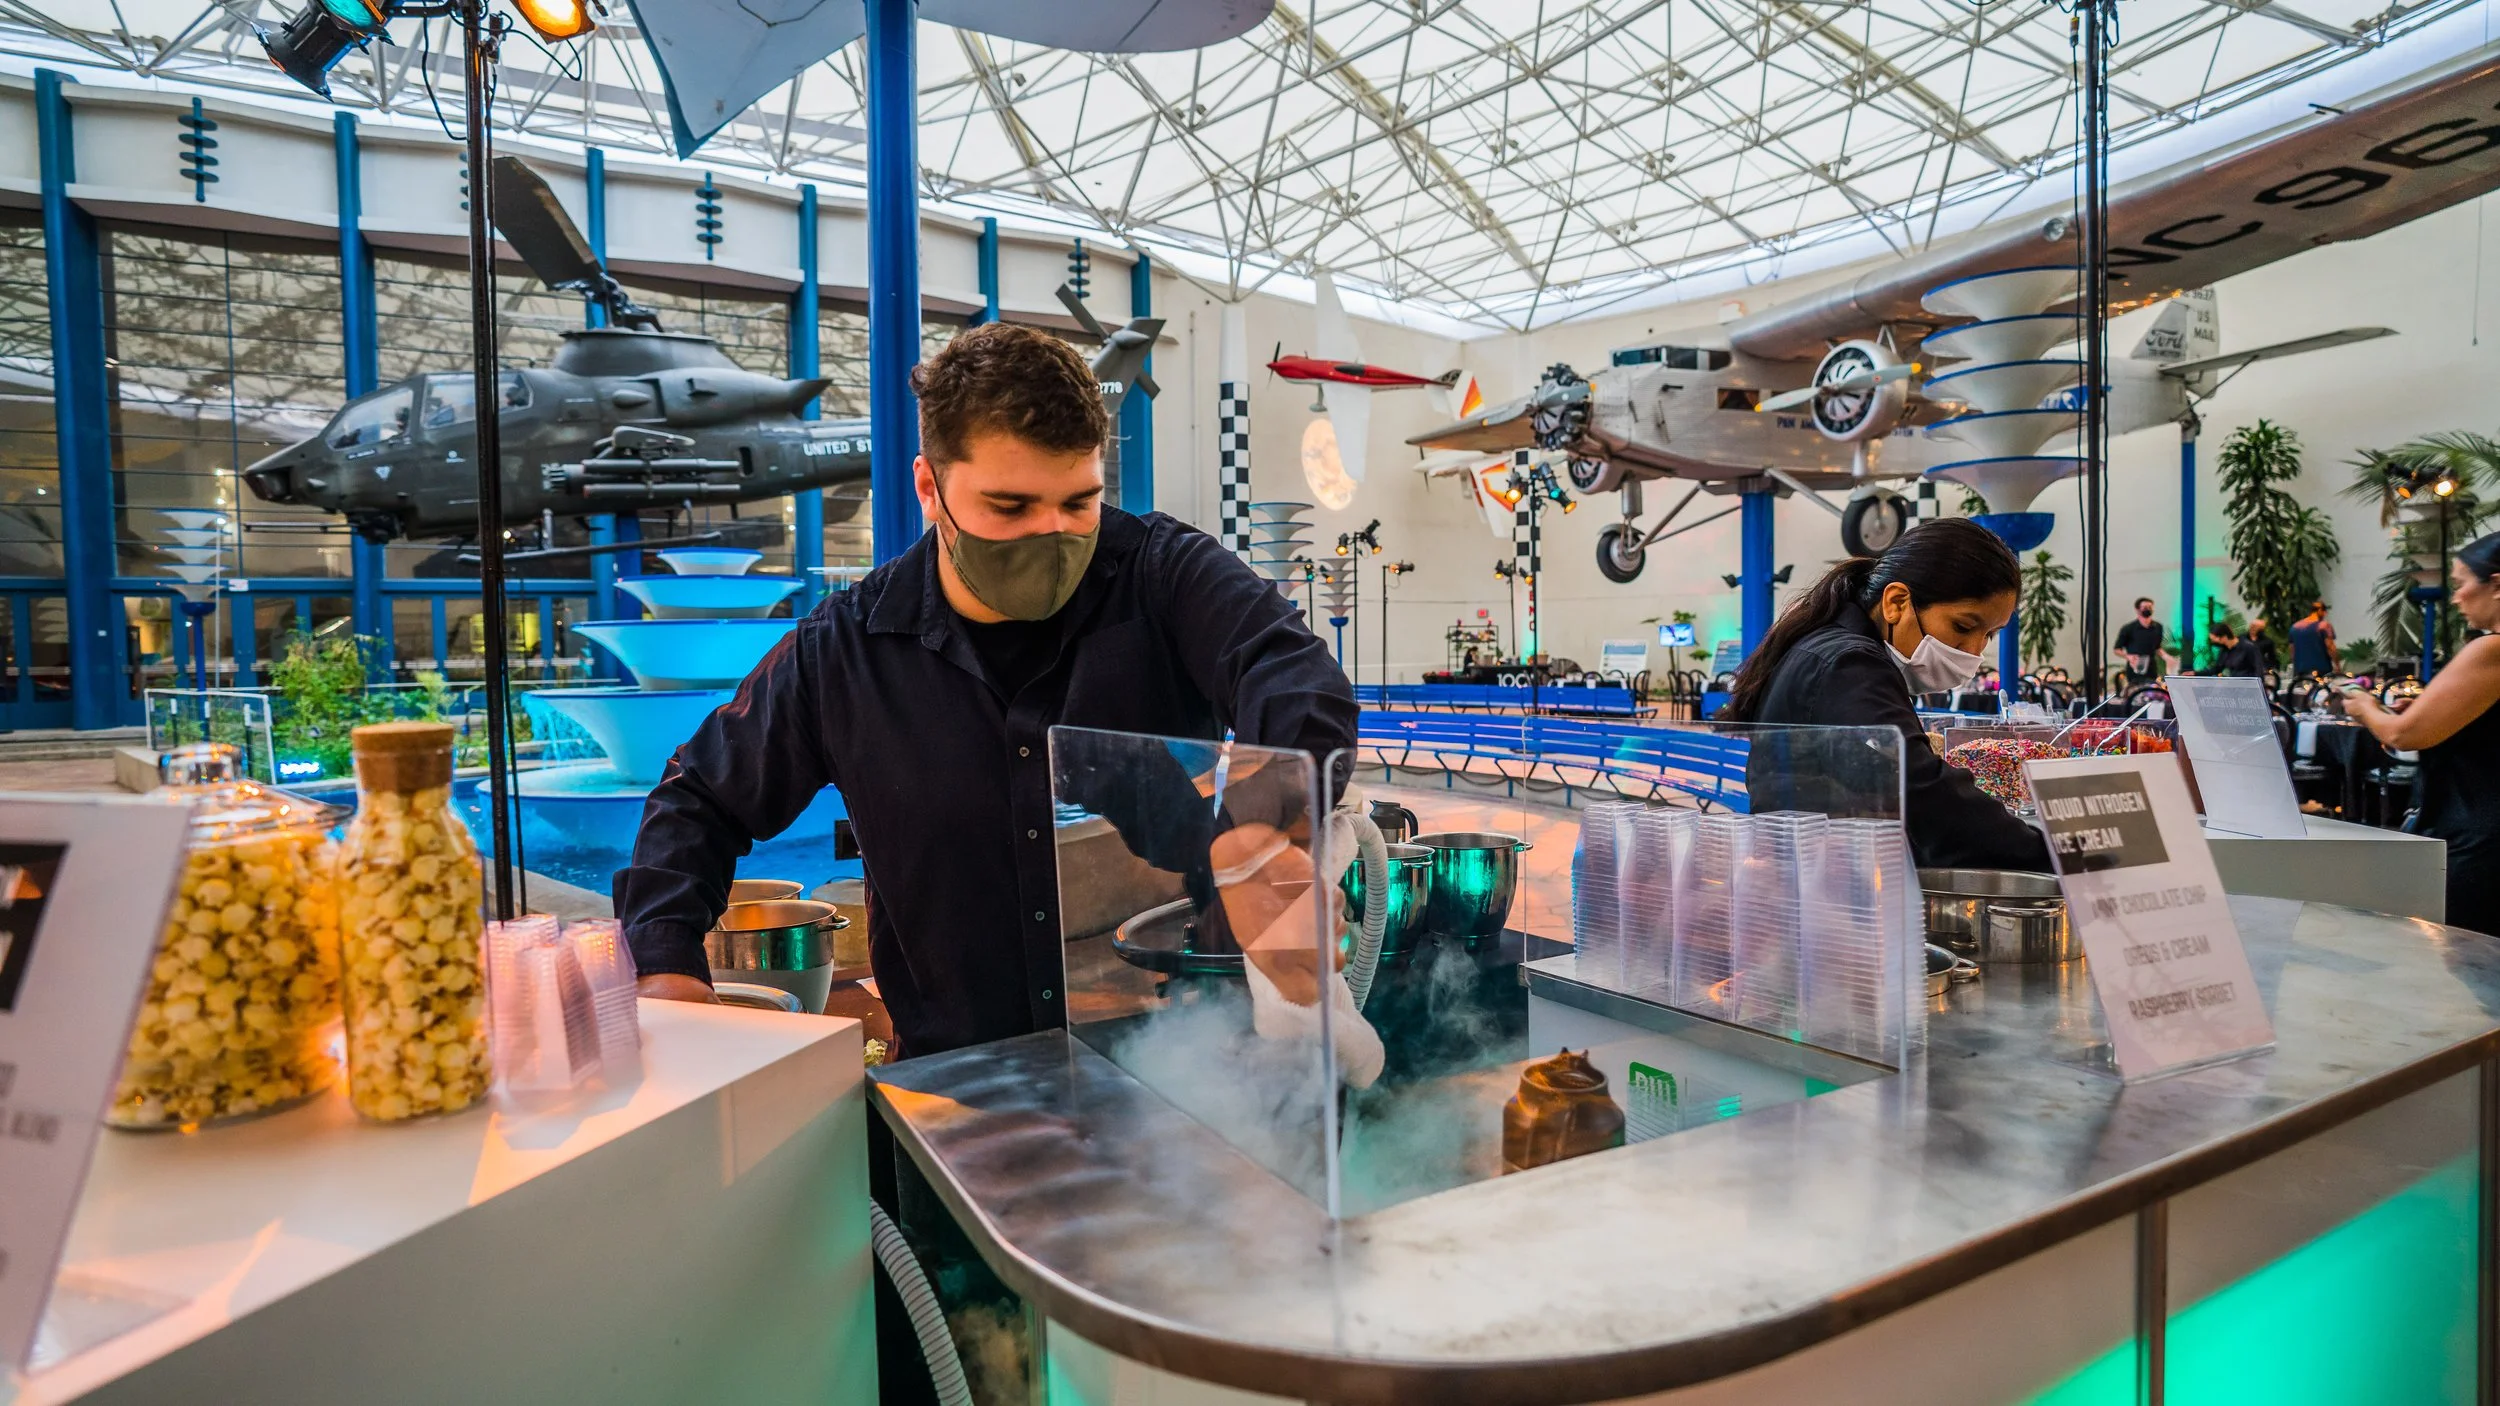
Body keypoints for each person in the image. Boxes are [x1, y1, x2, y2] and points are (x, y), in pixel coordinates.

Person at [614, 323, 1359, 1056]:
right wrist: (667, 965)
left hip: (1182, 1051)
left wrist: (1263, 841)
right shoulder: (847, 649)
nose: (1053, 533)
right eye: (1011, 507)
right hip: (961, 1084)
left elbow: (1291, 676)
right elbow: (698, 800)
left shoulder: (1162, 575)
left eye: (1078, 503)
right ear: (929, 488)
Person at [1724, 518, 2050, 871]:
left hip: (1814, 867)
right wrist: (2048, 854)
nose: (1973, 651)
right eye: (1963, 627)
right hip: (1820, 882)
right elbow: (1921, 792)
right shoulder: (1851, 665)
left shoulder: (1831, 646)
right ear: (1896, 602)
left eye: (1989, 635)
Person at [2338, 533, 2500, 935]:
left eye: (2463, 584)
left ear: (2496, 585)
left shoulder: (2490, 650)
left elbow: (2403, 735)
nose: (2456, 598)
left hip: (2478, 837)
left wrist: (2364, 707)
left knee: (2469, 967)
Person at [2114, 597, 2169, 688]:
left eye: (2150, 607)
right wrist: (2128, 656)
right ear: (2137, 609)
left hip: (2151, 667)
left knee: (2151, 691)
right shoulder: (2129, 628)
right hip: (2135, 667)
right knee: (2135, 690)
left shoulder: (2158, 627)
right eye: (2144, 607)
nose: (2147, 609)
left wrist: (2167, 658)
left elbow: (2157, 647)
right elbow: (2117, 649)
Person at [2290, 601, 2339, 677]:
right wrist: (2337, 666)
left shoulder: (2294, 627)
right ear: (2320, 611)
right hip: (2322, 671)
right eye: (2324, 611)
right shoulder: (2324, 625)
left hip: (2300, 672)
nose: (2325, 614)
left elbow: (2292, 651)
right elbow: (2330, 647)